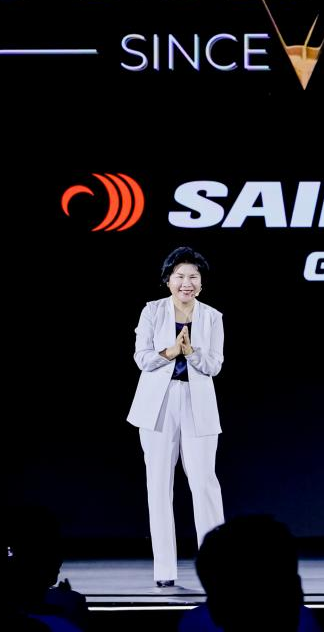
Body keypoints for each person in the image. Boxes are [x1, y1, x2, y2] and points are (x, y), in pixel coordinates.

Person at [126, 246, 225, 587]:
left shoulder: (212, 317)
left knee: (204, 483)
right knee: (158, 485)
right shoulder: (152, 311)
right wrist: (171, 351)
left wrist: (192, 351)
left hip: (198, 402)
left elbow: (214, 365)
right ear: (168, 280)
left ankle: (218, 567)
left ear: (201, 283)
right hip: (159, 403)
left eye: (193, 277)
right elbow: (142, 358)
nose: (186, 283)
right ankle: (164, 571)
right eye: (180, 276)